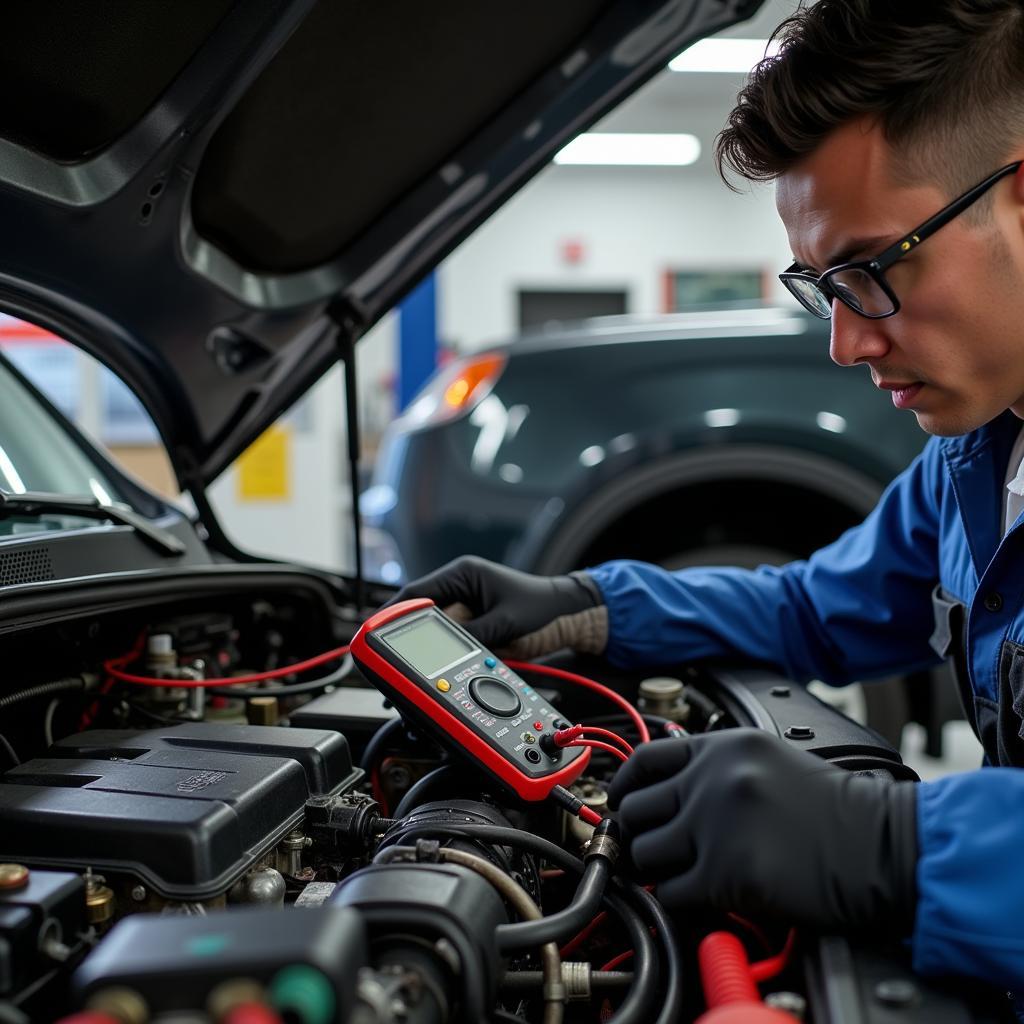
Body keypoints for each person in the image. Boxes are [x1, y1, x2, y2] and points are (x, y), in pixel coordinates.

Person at [392, 0, 1024, 1006]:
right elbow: (816, 608)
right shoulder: (979, 460)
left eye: (870, 269)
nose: (846, 345)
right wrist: (588, 603)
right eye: (823, 286)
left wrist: (893, 847)